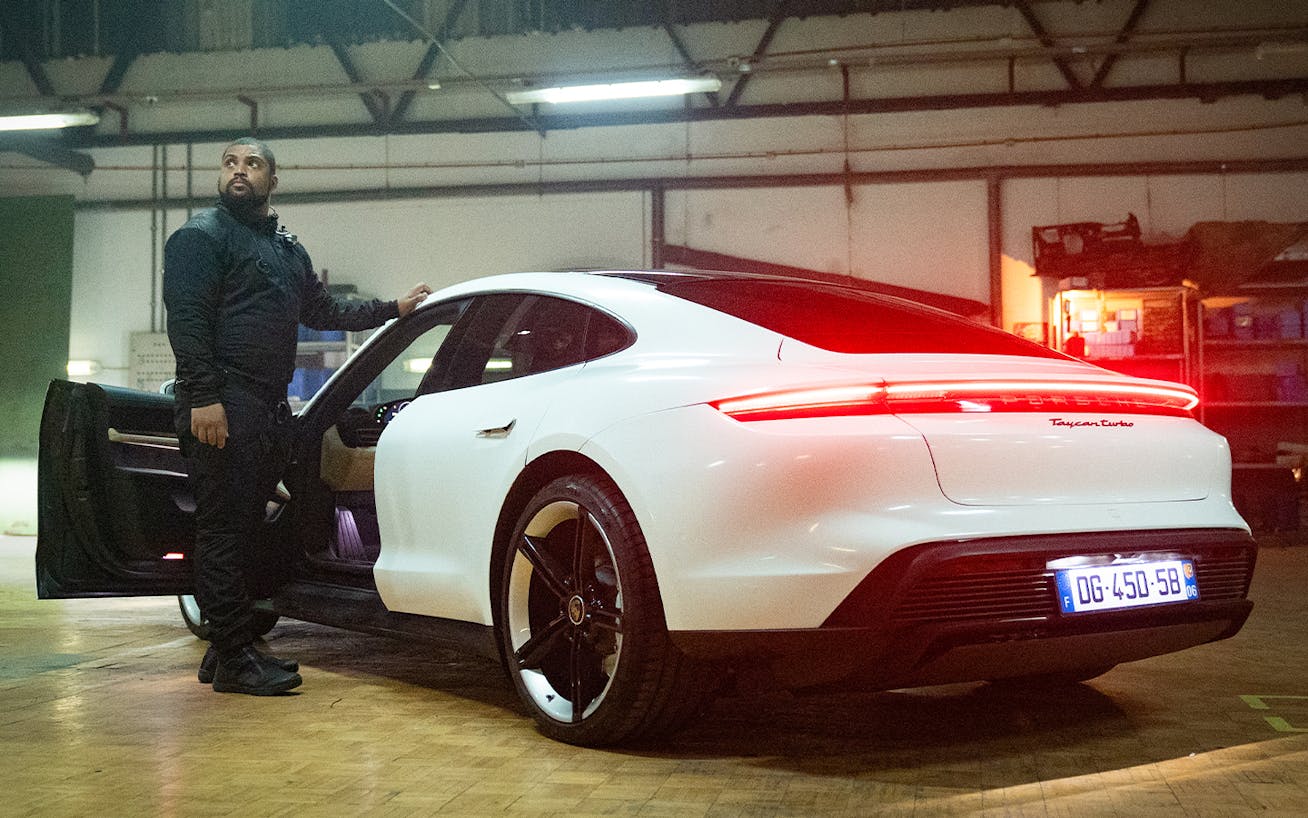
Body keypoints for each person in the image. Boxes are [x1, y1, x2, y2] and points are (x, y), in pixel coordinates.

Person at [164, 137, 430, 695]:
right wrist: (204, 397)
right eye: (230, 164)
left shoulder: (286, 251)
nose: (239, 172)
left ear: (272, 179)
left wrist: (394, 310)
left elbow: (326, 311)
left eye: (252, 164)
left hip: (266, 406)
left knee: (244, 532)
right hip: (223, 401)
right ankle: (235, 656)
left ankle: (224, 650)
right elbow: (187, 323)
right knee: (223, 531)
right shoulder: (199, 237)